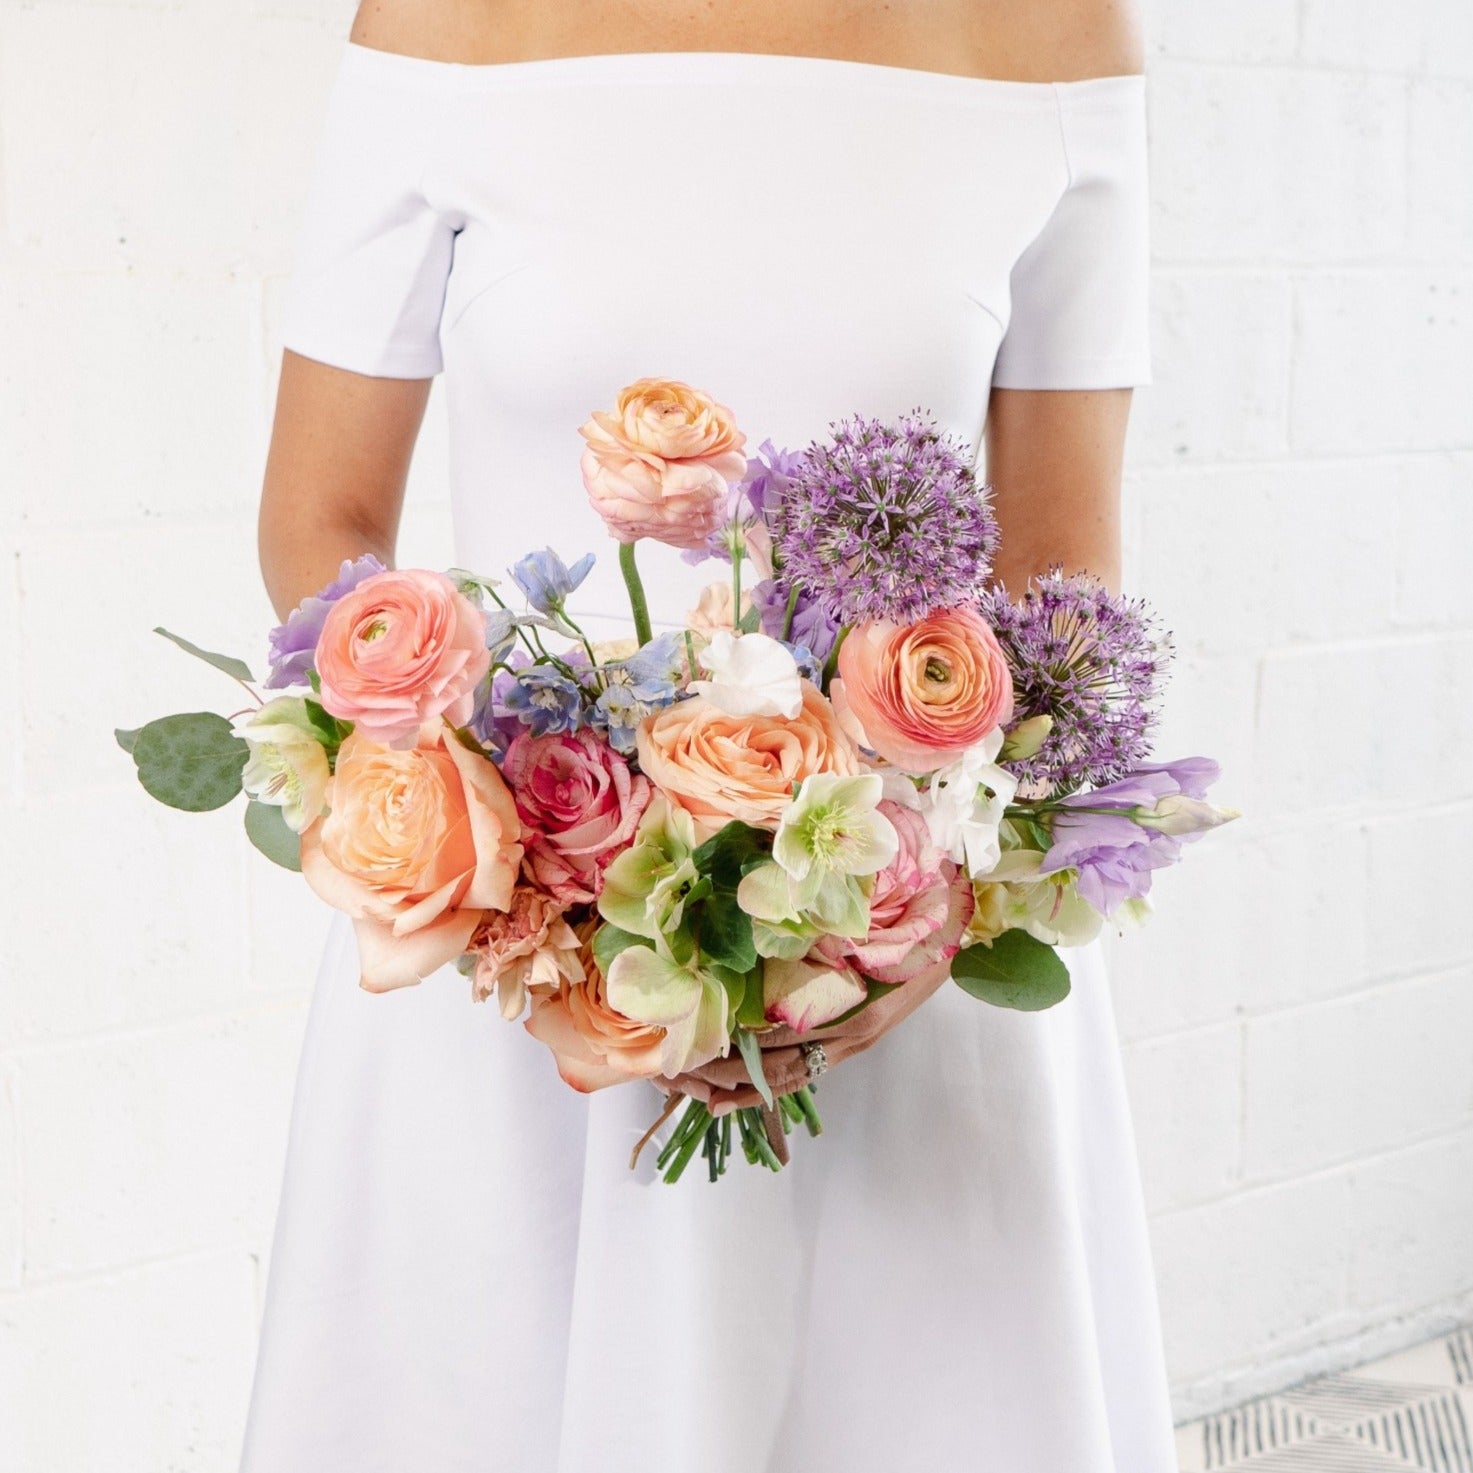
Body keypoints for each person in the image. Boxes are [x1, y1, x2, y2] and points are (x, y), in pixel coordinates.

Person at [243, 1, 1178, 1469]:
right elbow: (321, 516)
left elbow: (1062, 562)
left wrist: (906, 931)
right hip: (520, 977)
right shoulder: (441, 23)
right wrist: (519, 879)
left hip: (901, 956)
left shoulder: (1053, 36)